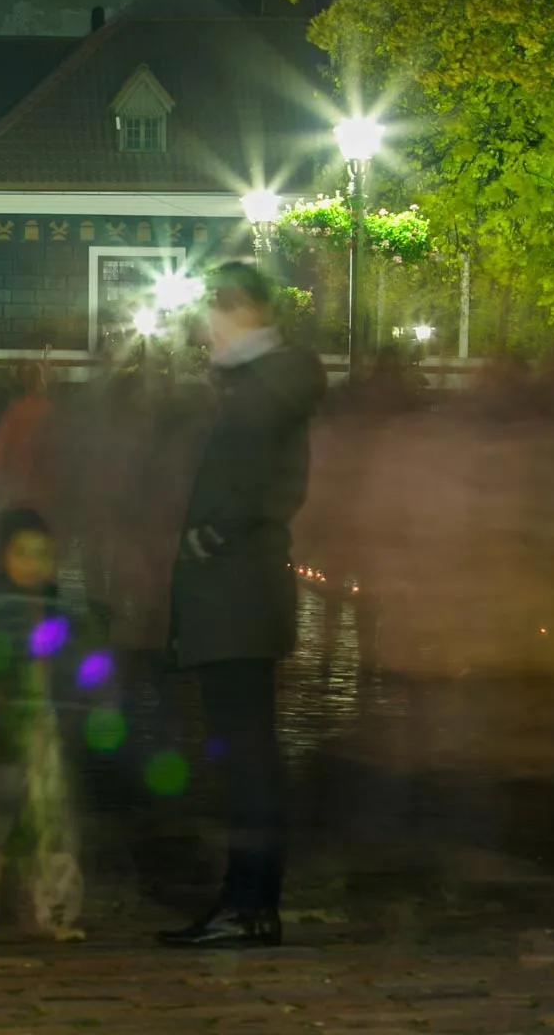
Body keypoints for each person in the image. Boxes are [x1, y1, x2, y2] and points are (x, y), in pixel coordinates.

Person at [159, 262, 325, 949]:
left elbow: (260, 482)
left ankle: (249, 904)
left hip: (236, 587)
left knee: (247, 756)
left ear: (237, 312)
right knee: (246, 752)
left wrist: (211, 533)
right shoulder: (255, 384)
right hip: (238, 585)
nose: (205, 327)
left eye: (212, 313)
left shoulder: (259, 388)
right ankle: (248, 899)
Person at [0, 508, 85, 945]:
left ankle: (56, 907)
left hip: (48, 733)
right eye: (22, 553)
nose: (33, 563)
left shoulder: (60, 608)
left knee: (54, 822)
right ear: (3, 557)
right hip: (1, 734)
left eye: (43, 554)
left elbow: (76, 663)